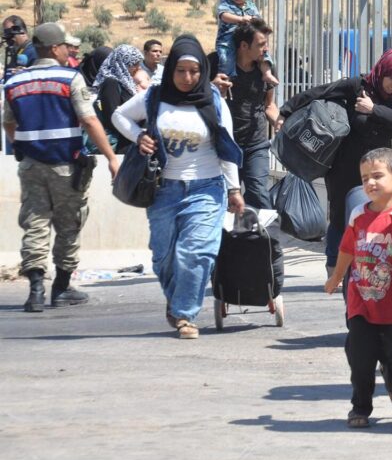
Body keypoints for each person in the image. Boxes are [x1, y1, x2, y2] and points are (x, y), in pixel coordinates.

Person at [113, 35, 245, 339]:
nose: (187, 78)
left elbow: (227, 149)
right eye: (181, 71)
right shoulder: (154, 97)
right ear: (171, 68)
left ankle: (185, 315)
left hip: (206, 188)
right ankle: (177, 301)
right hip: (163, 190)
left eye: (194, 71)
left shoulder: (214, 101)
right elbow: (119, 115)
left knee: (196, 252)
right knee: (163, 256)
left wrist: (234, 190)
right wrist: (138, 136)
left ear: (203, 71)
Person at [3, 22, 119, 312]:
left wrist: (22, 145)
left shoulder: (15, 82)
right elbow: (89, 120)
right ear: (54, 48)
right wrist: (111, 157)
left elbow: (8, 122)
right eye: (66, 45)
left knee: (35, 223)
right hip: (65, 165)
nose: (69, 50)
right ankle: (62, 287)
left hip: (31, 166)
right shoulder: (70, 78)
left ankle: (35, 291)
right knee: (69, 224)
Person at [325, 148, 392, 428]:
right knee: (359, 357)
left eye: (376, 176)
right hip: (361, 302)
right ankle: (360, 407)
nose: (370, 183)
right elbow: (347, 249)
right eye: (365, 179)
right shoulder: (358, 215)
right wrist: (336, 277)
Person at [278, 47, 392, 274]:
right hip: (344, 165)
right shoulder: (358, 86)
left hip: (379, 169)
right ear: (382, 71)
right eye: (391, 77)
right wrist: (286, 111)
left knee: (376, 215)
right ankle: (333, 266)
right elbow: (320, 92)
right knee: (340, 217)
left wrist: (373, 109)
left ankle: (367, 269)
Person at [214, 19, 280, 209]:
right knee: (223, 198)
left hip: (255, 145)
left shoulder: (266, 69)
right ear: (244, 46)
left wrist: (278, 122)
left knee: (258, 193)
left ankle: (264, 229)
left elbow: (269, 105)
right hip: (225, 146)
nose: (266, 49)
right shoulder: (219, 66)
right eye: (261, 44)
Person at [216, 0, 278, 87]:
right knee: (225, 59)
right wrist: (240, 19)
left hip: (248, 38)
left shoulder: (252, 6)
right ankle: (225, 82)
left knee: (264, 53)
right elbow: (223, 15)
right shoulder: (227, 4)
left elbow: (258, 22)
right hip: (227, 39)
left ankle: (267, 73)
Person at [92, 44, 146, 154]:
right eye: (134, 64)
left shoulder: (127, 84)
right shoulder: (111, 83)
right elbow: (112, 117)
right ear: (122, 63)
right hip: (119, 146)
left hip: (130, 141)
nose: (138, 68)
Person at [3, 15, 36, 81]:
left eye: (10, 32)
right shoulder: (18, 52)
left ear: (23, 32)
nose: (8, 37)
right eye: (6, 33)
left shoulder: (34, 52)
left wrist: (24, 74)